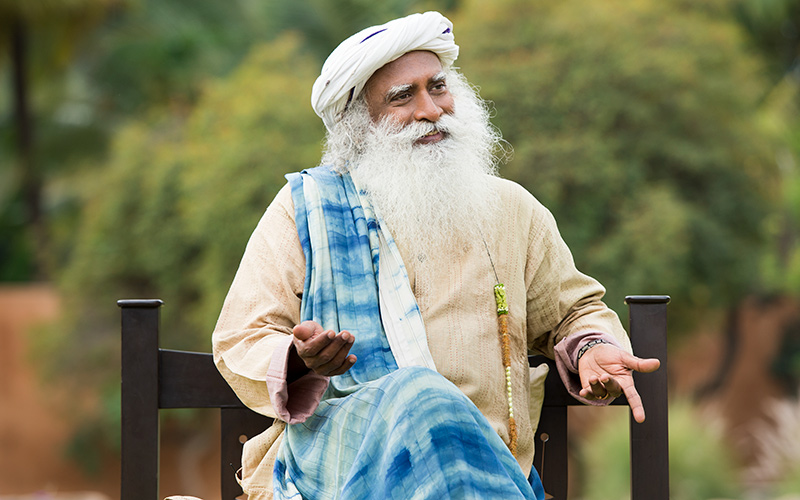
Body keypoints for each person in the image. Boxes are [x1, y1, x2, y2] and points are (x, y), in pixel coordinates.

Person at [212, 11, 660, 500]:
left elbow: (574, 310)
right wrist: (300, 361)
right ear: (359, 126)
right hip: (349, 470)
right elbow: (240, 339)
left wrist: (593, 349)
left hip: (490, 472)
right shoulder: (306, 212)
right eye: (403, 96)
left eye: (438, 87)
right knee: (421, 394)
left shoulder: (511, 210)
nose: (431, 109)